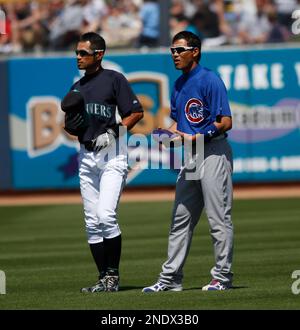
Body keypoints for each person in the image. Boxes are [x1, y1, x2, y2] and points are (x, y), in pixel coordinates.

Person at [143, 30, 234, 292]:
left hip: (213, 152)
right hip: (192, 157)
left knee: (218, 219)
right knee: (180, 218)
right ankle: (171, 279)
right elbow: (179, 124)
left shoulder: (209, 80)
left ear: (194, 51)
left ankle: (222, 278)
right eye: (172, 50)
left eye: (179, 50)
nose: (174, 54)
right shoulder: (179, 84)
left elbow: (225, 122)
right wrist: (168, 134)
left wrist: (195, 137)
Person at [61, 32, 143, 292]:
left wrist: (114, 131)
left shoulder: (113, 79)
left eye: (83, 53)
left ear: (99, 55)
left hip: (112, 155)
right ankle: (103, 278)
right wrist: (72, 129)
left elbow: (136, 112)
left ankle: (113, 276)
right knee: (91, 221)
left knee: (106, 215)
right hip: (86, 156)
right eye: (76, 52)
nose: (78, 57)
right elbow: (73, 126)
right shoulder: (77, 87)